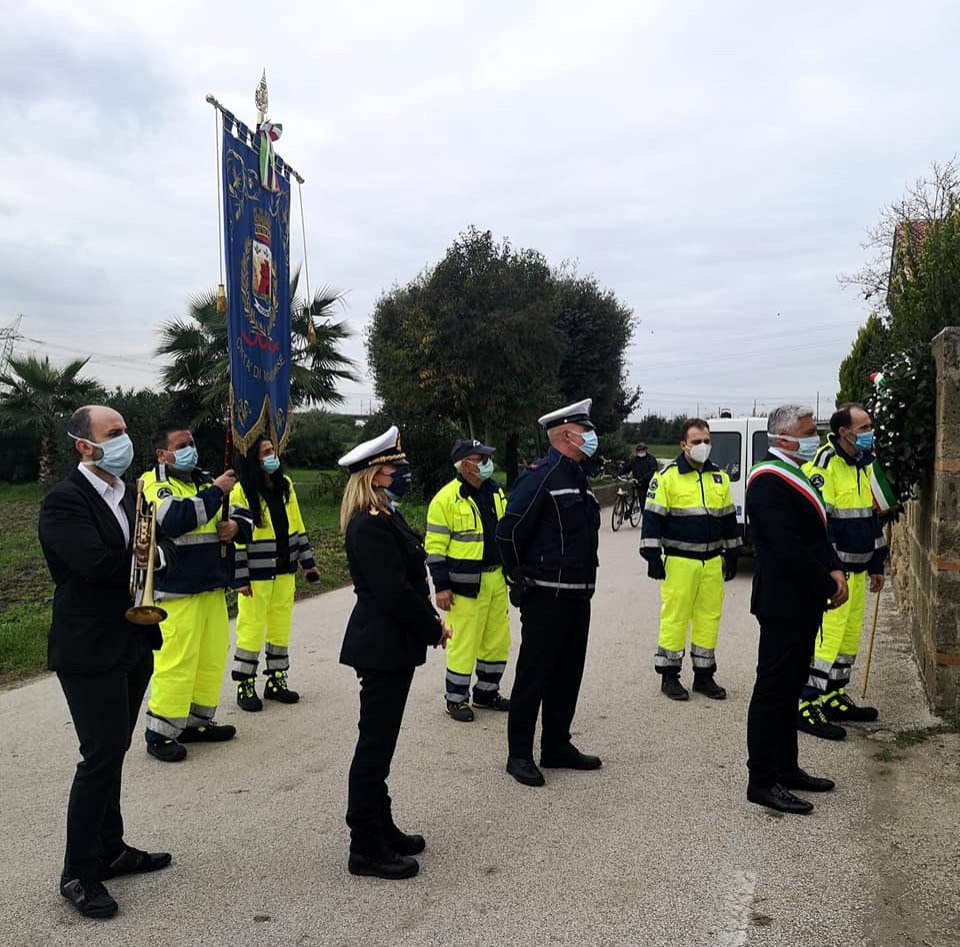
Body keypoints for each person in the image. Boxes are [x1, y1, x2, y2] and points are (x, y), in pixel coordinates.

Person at [38, 405, 175, 918]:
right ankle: (78, 872)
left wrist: (154, 554)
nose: (124, 441)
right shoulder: (64, 500)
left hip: (133, 640)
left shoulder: (130, 494)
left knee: (114, 749)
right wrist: (145, 555)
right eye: (113, 433)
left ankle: (111, 849)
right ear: (84, 445)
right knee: (98, 757)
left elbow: (163, 549)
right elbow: (94, 564)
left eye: (124, 431)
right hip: (88, 646)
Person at [338, 426, 450, 879]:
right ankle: (365, 846)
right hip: (381, 646)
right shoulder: (369, 523)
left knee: (381, 745)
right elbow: (395, 593)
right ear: (375, 474)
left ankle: (381, 826)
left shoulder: (385, 515)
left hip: (391, 645)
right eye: (395, 466)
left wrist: (427, 623)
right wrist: (432, 628)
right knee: (374, 747)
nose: (403, 472)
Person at [745, 404, 848, 815]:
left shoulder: (797, 474)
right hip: (782, 602)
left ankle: (786, 768)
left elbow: (817, 534)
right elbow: (787, 547)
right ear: (784, 438)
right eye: (808, 433)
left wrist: (835, 568)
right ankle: (761, 780)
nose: (814, 439)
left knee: (790, 689)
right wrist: (827, 583)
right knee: (773, 691)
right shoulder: (767, 481)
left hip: (802, 600)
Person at [496, 398, 602, 788]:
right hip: (546, 596)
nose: (591, 436)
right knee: (534, 675)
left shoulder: (578, 475)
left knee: (568, 675)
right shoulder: (542, 475)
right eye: (586, 430)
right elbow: (509, 531)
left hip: (578, 594)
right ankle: (519, 754)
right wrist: (517, 575)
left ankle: (556, 745)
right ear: (567, 435)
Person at [139, 423, 253, 762]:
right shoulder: (154, 484)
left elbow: (246, 517)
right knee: (177, 662)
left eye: (192, 442)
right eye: (182, 445)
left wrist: (235, 527)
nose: (191, 449)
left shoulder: (205, 481)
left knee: (210, 658)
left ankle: (197, 722)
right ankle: (160, 732)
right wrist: (216, 491)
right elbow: (175, 519)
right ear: (162, 454)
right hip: (176, 592)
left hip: (211, 587)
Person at [798, 403, 886, 739]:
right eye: (864, 428)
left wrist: (876, 564)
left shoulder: (863, 464)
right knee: (826, 641)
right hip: (836, 575)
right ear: (844, 432)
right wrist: (831, 570)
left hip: (860, 571)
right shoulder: (825, 464)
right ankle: (806, 703)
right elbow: (820, 526)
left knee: (848, 640)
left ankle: (833, 696)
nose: (869, 433)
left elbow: (870, 518)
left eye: (869, 426)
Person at [639, 419, 740, 701]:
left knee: (709, 618)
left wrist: (732, 553)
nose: (703, 446)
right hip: (680, 562)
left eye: (707, 441)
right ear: (683, 445)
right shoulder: (667, 477)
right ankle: (669, 676)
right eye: (697, 441)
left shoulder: (718, 477)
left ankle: (704, 676)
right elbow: (652, 519)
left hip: (711, 563)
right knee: (675, 618)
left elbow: (728, 519)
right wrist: (652, 556)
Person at [229, 435, 321, 711]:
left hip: (284, 569)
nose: (273, 456)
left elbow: (298, 526)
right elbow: (237, 540)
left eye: (273, 450)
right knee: (251, 627)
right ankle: (245, 682)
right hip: (257, 573)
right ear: (253, 460)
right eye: (266, 452)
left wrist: (308, 563)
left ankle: (276, 679)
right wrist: (240, 577)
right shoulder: (241, 491)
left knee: (280, 626)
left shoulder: (286, 485)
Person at [426, 437, 511, 721]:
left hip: (496, 579)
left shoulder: (496, 492)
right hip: (464, 586)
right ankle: (456, 699)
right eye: (481, 459)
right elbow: (435, 549)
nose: (488, 463)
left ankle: (486, 693)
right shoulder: (445, 499)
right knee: (463, 643)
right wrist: (442, 586)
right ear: (465, 464)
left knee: (497, 640)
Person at [623, 442, 659, 508]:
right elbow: (627, 468)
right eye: (639, 450)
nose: (640, 452)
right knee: (640, 501)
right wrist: (618, 473)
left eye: (642, 450)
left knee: (646, 504)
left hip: (648, 485)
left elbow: (652, 472)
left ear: (645, 450)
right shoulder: (634, 460)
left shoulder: (651, 459)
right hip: (638, 484)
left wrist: (641, 479)